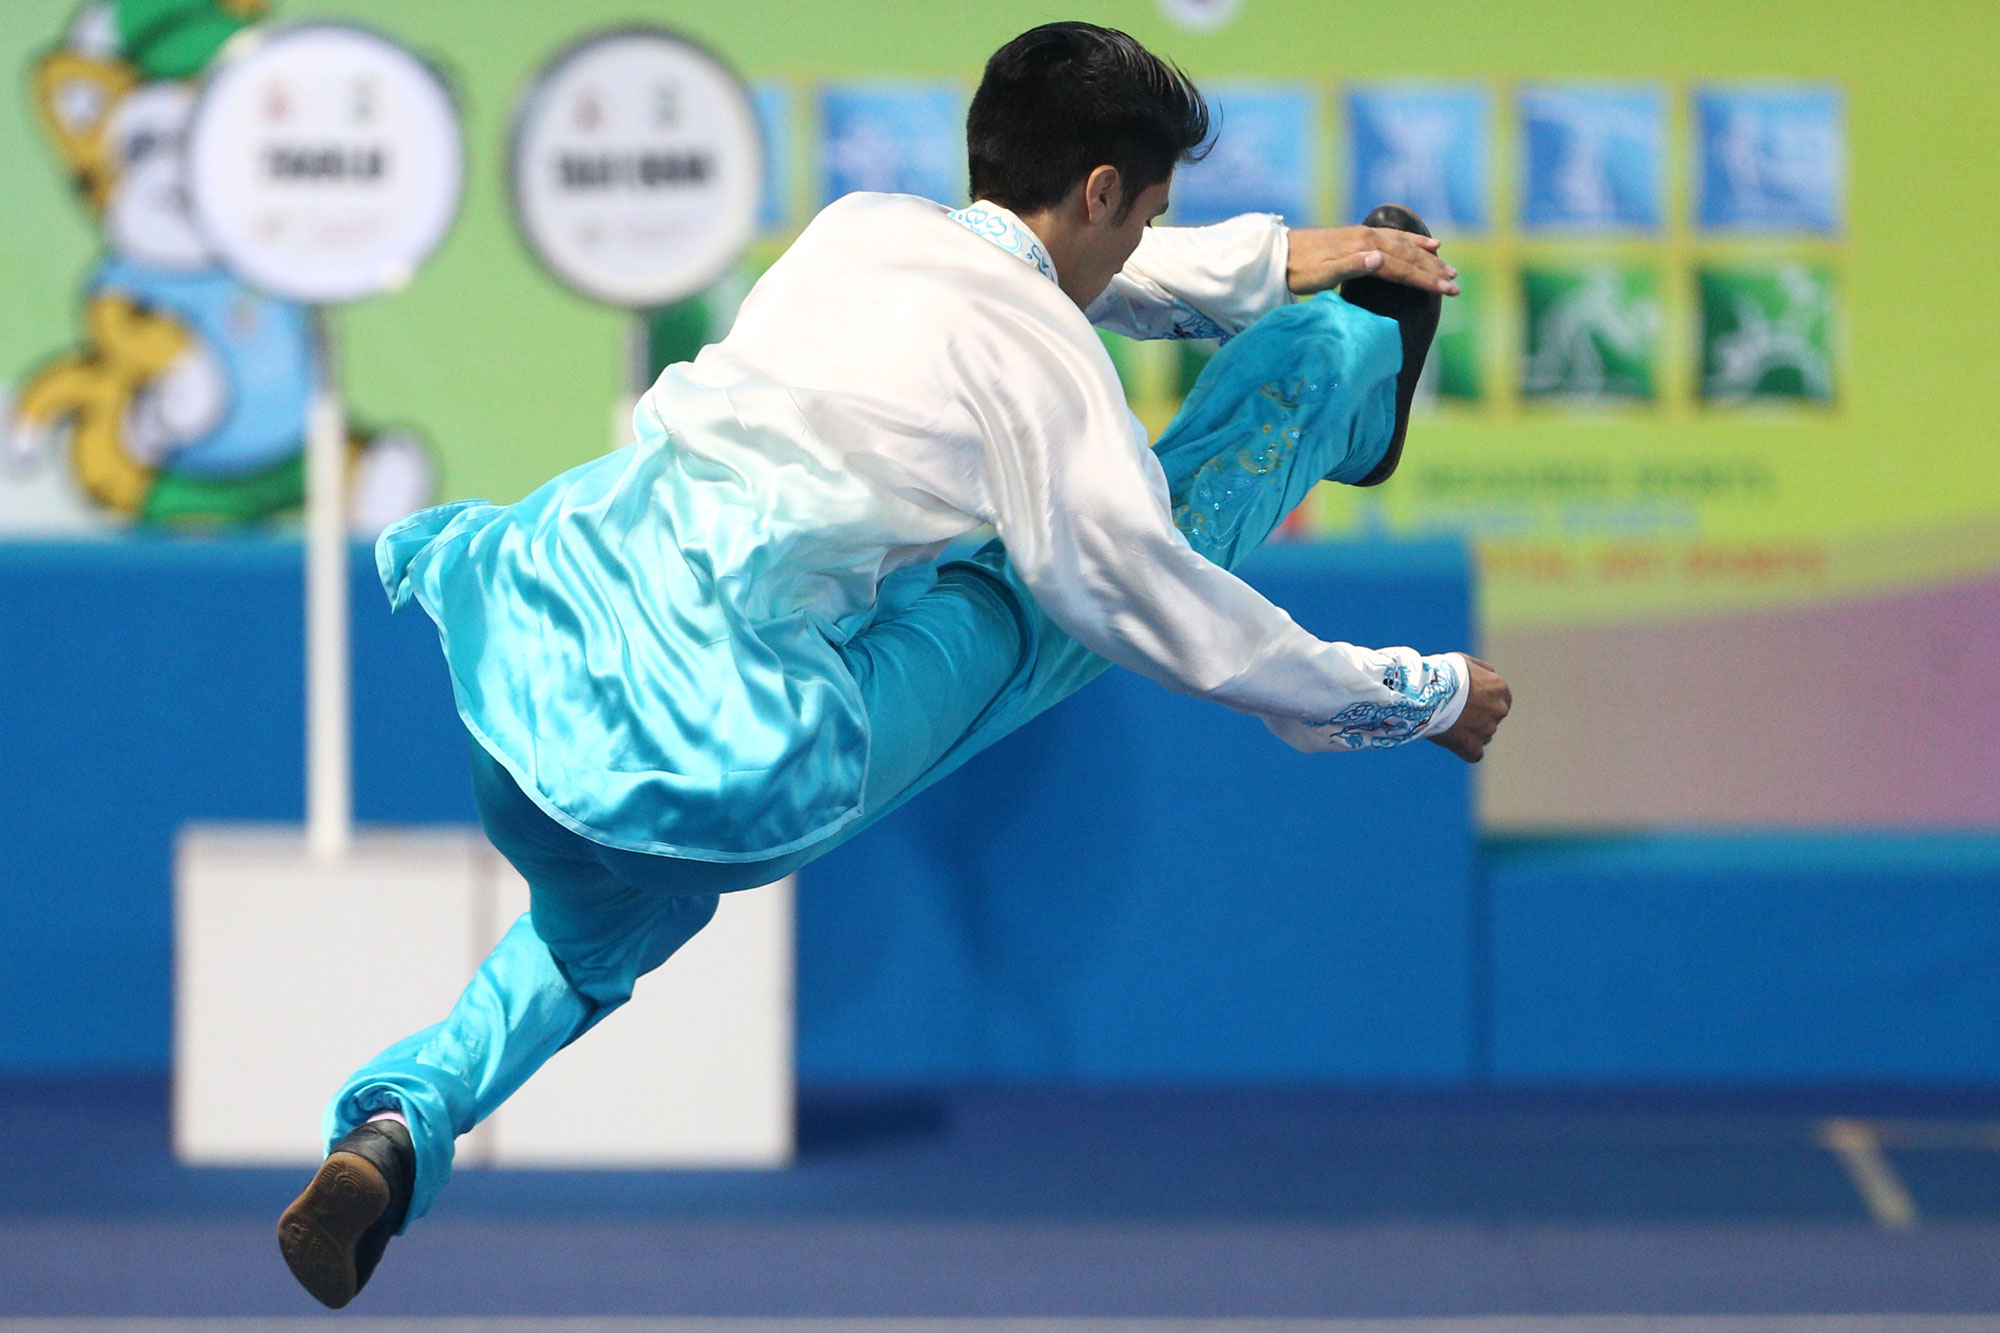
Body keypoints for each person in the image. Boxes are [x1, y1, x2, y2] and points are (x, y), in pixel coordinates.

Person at [277, 21, 1512, 1308]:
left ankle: (401, 1124)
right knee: (1046, 601)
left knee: (597, 932)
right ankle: (1348, 372)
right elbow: (1145, 594)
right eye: (1146, 217)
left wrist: (1265, 258)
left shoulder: (856, 228)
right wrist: (1403, 694)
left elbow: (1027, 269)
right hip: (724, 749)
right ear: (1102, 191)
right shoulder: (1048, 364)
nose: (1138, 244)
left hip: (534, 670)